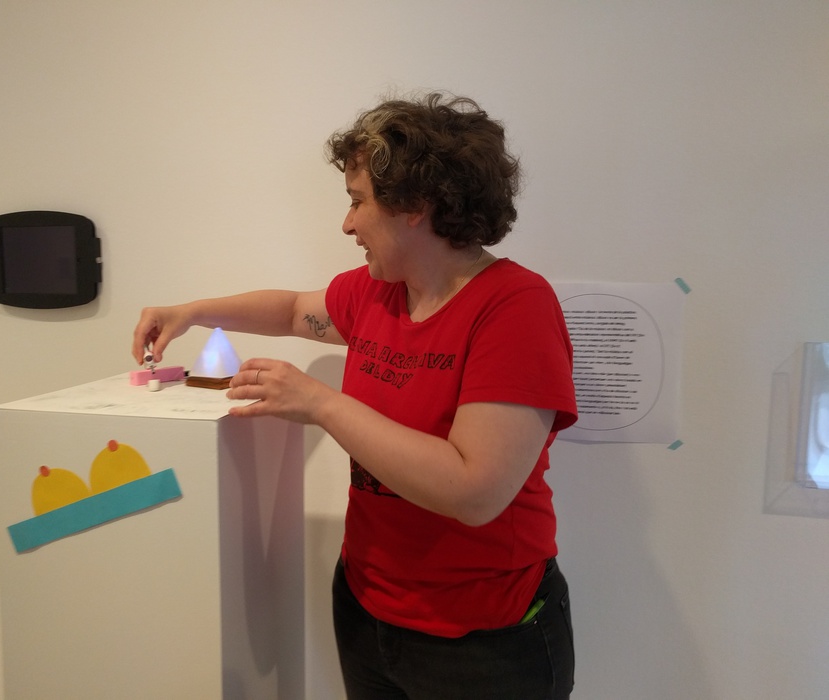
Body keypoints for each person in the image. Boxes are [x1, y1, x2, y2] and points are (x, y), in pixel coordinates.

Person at [132, 92, 578, 699]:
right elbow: (292, 310)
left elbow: (475, 492)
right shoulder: (378, 292)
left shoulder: (515, 307)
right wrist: (191, 312)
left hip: (485, 639)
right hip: (369, 611)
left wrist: (321, 403)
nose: (347, 224)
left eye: (357, 200)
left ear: (415, 205)